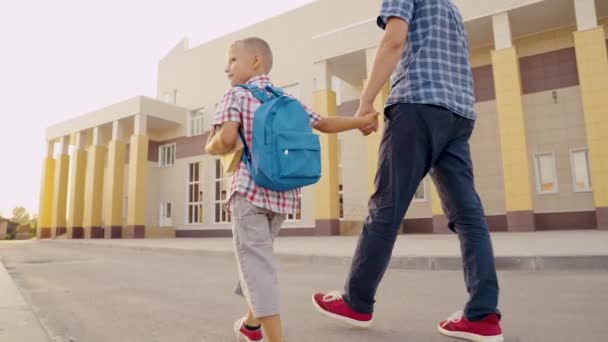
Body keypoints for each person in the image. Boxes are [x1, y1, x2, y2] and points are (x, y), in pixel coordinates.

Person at [311, 1, 503, 341]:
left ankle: (357, 301)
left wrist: (366, 100)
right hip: (458, 114)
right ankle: (483, 315)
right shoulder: (451, 8)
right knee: (468, 215)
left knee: (386, 205)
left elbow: (393, 41)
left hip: (417, 105)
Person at [205, 37, 379, 342]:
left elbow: (228, 138)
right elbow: (324, 123)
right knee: (258, 261)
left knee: (257, 267)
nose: (226, 68)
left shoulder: (237, 95)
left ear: (255, 61)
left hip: (249, 192)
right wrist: (359, 121)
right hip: (283, 196)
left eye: (233, 60)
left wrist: (211, 144)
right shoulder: (286, 99)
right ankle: (250, 325)